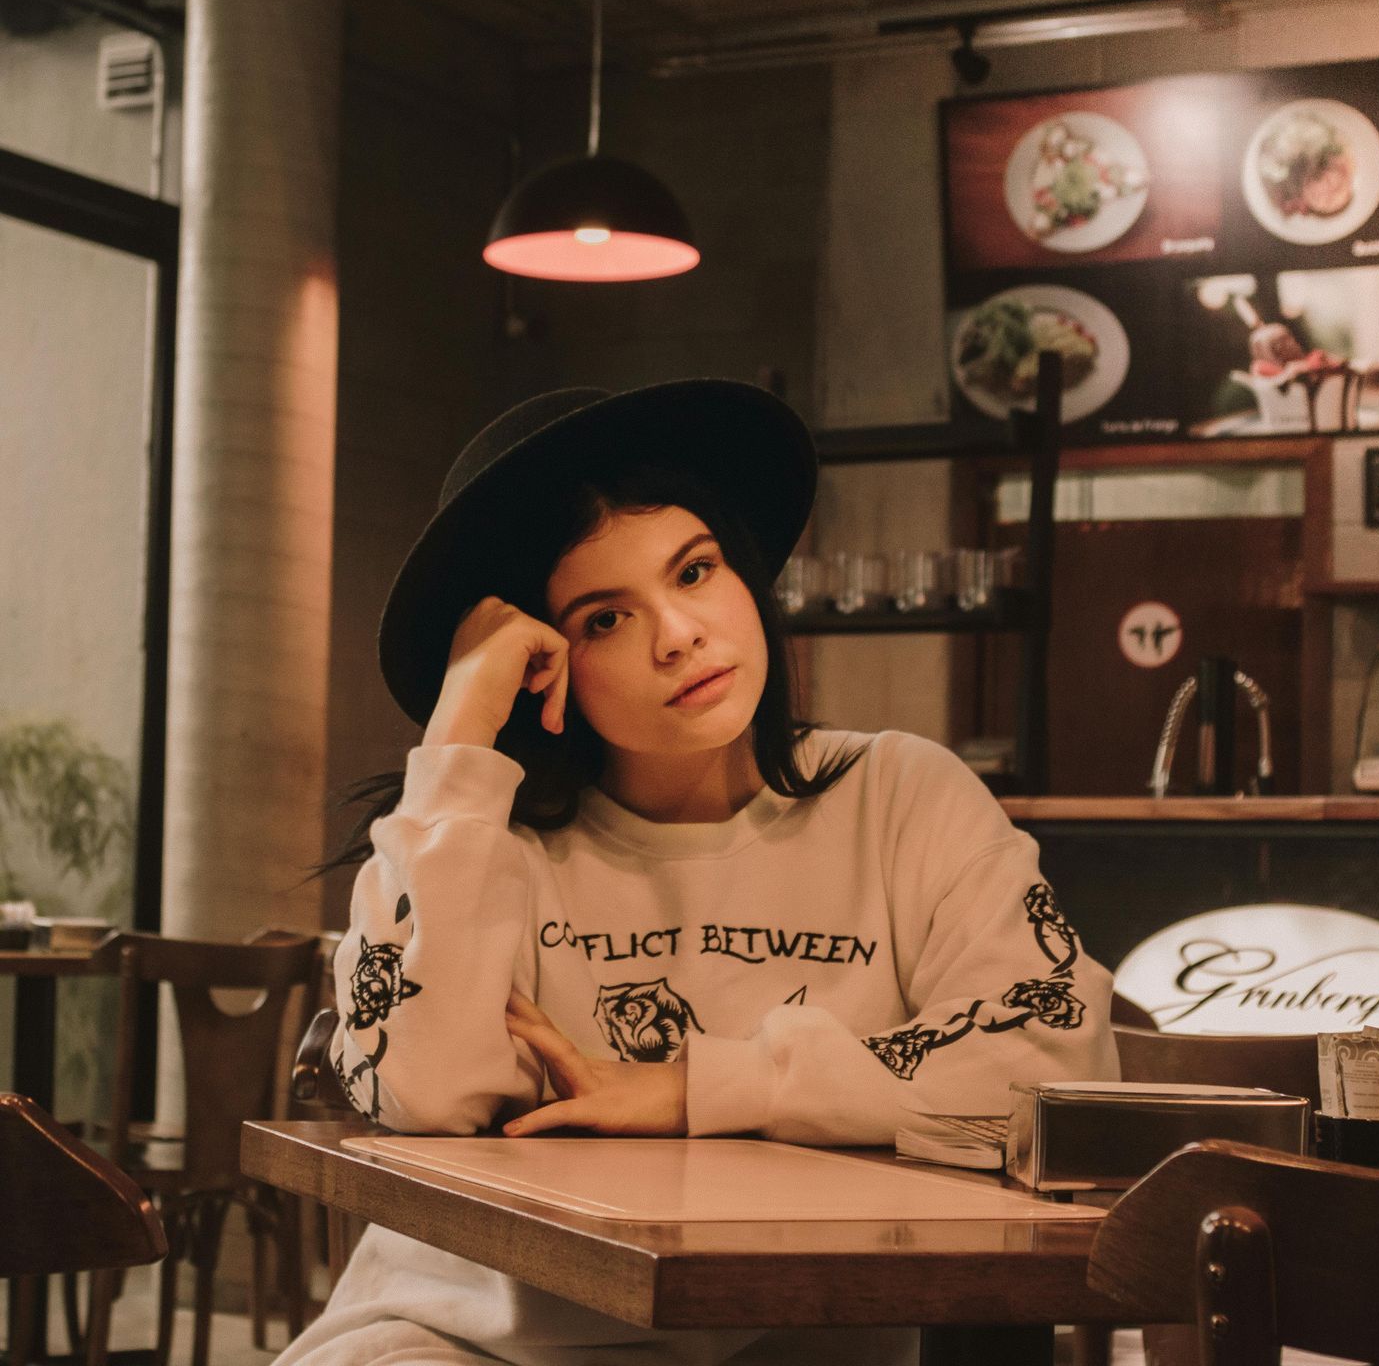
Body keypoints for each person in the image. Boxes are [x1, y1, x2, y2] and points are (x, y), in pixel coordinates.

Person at [278, 380, 1118, 1365]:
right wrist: (459, 731)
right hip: (467, 1338)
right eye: (603, 619)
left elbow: (1056, 1066)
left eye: (695, 570)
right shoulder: (486, 840)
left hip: (800, 1335)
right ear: (542, 667)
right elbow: (417, 1097)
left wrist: (700, 1087)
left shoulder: (900, 795)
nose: (678, 634)